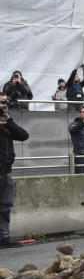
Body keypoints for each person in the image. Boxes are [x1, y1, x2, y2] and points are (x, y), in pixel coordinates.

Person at [0, 93, 29, 248]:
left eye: (5, 102)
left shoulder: (6, 124)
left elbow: (24, 136)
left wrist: (8, 120)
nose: (4, 105)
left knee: (5, 205)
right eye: (1, 102)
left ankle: (3, 237)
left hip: (5, 171)